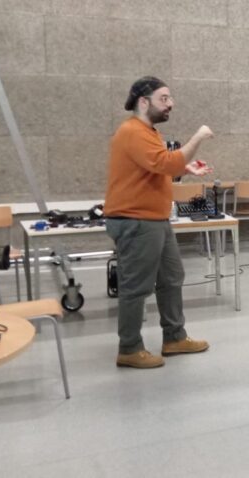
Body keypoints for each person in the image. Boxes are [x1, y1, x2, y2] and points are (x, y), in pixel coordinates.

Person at [104, 76, 214, 369]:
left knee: (171, 277)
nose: (170, 104)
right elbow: (166, 163)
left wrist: (184, 169)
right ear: (144, 102)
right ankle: (129, 348)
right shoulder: (132, 131)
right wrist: (198, 138)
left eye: (170, 98)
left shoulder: (148, 132)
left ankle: (174, 337)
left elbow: (157, 167)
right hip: (136, 220)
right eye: (164, 98)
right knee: (136, 286)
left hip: (154, 219)